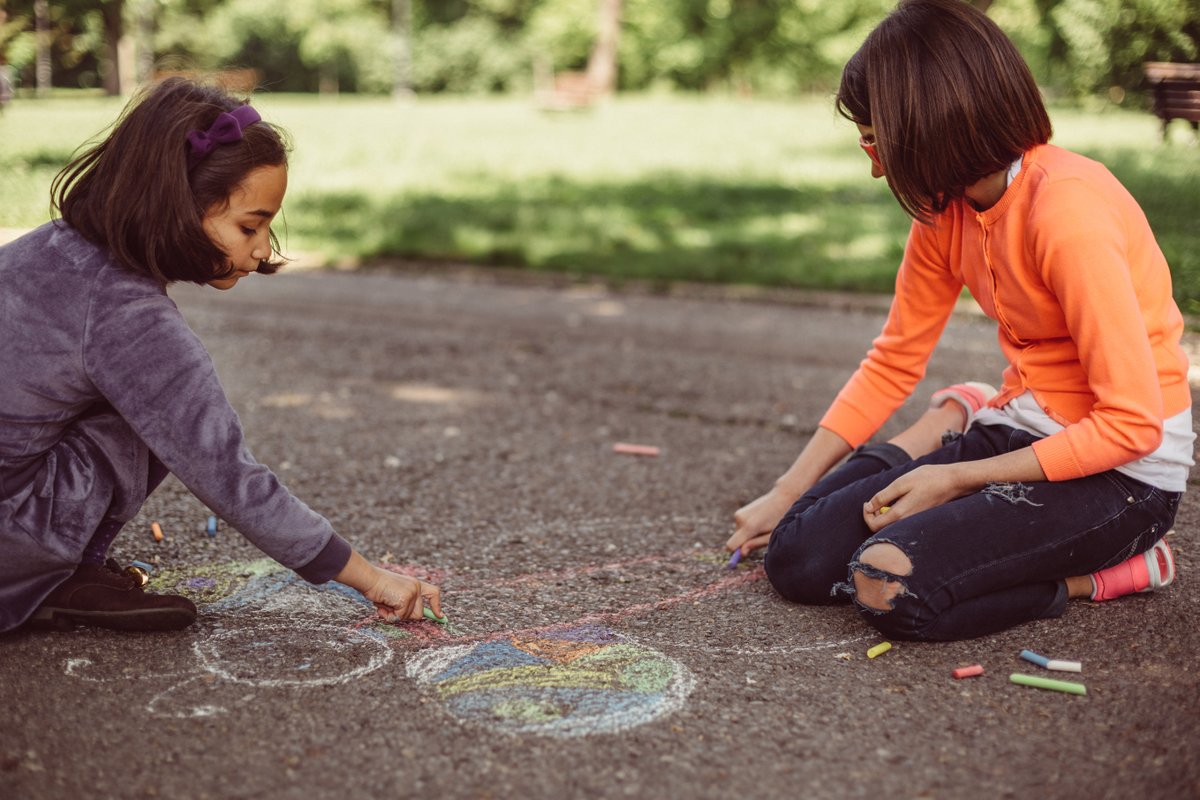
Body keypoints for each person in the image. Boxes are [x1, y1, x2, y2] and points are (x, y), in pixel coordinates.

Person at [726, 0, 1193, 641]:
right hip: (1021, 428)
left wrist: (955, 478)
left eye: (875, 139)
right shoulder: (945, 213)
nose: (874, 164)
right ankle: (957, 413)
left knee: (889, 588)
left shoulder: (1067, 214)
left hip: (1120, 475)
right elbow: (893, 360)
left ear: (928, 127)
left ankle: (1117, 572)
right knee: (797, 556)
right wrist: (785, 493)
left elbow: (1131, 426)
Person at [0, 78, 443, 633]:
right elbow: (226, 471)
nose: (261, 250)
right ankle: (58, 575)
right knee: (163, 411)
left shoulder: (48, 249)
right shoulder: (126, 317)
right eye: (249, 226)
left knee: (148, 402)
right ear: (176, 205)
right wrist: (372, 578)